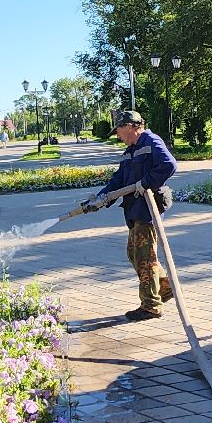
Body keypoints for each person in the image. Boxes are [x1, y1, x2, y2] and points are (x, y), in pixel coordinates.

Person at [82, 111, 178, 320]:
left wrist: (145, 183)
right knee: (134, 254)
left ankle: (151, 305)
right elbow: (119, 179)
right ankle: (164, 286)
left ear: (130, 126)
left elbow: (169, 165)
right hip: (134, 209)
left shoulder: (150, 141)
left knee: (145, 257)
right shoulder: (130, 151)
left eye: (118, 130)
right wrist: (100, 199)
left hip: (148, 208)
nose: (117, 135)